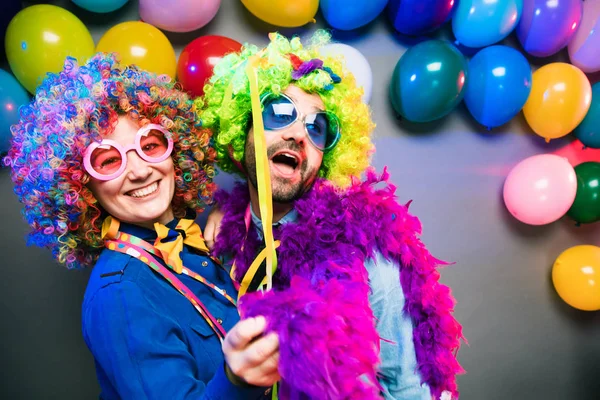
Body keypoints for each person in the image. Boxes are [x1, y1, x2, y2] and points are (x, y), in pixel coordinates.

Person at [199, 31, 464, 400]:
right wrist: (224, 209)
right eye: (279, 113)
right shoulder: (219, 239)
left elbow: (408, 391)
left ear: (326, 159)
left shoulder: (367, 256)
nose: (297, 134)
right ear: (242, 128)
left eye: (317, 127)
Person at [5, 53, 279, 400]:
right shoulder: (120, 295)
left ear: (175, 149)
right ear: (80, 185)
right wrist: (238, 382)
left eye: (149, 145)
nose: (138, 170)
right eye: (108, 160)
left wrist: (230, 213)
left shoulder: (193, 242)